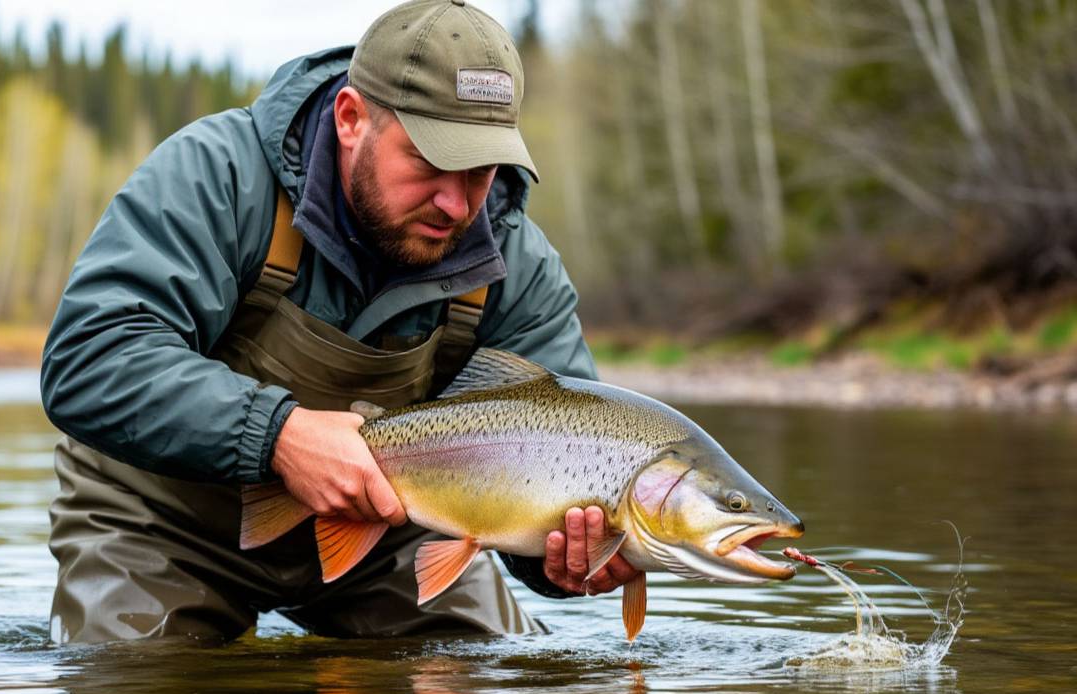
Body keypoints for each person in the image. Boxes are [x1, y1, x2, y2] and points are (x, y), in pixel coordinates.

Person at [40, 0, 639, 644]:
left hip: (388, 540)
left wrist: (565, 560)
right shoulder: (218, 177)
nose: (456, 201)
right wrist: (278, 435)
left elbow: (549, 478)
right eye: (432, 162)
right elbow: (90, 358)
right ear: (350, 119)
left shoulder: (515, 264)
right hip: (161, 523)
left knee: (481, 687)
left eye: (480, 170)